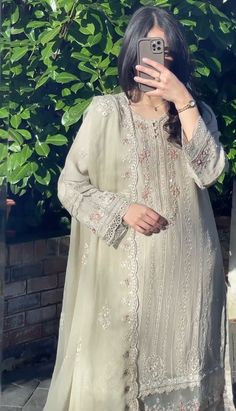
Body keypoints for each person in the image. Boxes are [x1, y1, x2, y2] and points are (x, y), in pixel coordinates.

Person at [43, 6, 231, 411]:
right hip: (126, 282)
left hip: (190, 277)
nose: (159, 60)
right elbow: (70, 186)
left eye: (167, 51)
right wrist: (120, 209)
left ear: (178, 56)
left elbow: (210, 172)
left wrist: (182, 100)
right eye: (151, 48)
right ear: (133, 52)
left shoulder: (197, 116)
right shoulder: (106, 112)